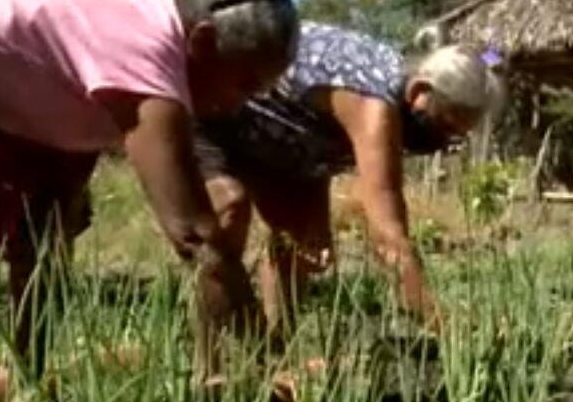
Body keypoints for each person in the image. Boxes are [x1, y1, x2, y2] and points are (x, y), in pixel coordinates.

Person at [0, 0, 300, 379]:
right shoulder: (144, 58)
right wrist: (268, 358)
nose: (239, 105)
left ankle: (30, 385)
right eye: (243, 85)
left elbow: (48, 222)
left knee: (47, 229)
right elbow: (195, 235)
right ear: (201, 42)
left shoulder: (130, 41)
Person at [194, 22, 503, 338]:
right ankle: (214, 370)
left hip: (284, 139)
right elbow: (388, 241)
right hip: (216, 102)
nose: (444, 140)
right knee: (227, 213)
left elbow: (320, 137)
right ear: (419, 92)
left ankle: (277, 348)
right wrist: (452, 333)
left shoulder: (392, 94)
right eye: (445, 126)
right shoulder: (374, 104)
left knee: (304, 246)